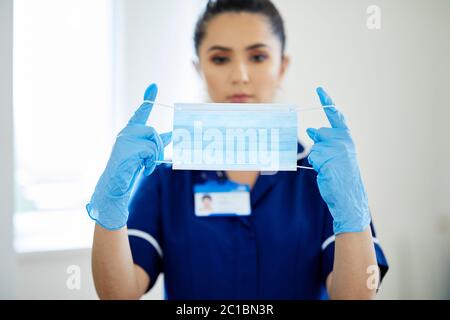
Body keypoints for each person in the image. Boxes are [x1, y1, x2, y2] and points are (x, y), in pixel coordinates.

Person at [88, 0, 388, 300]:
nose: (240, 75)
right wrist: (110, 209)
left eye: (258, 56)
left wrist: (354, 213)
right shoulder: (166, 176)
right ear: (198, 68)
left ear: (282, 66)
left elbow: (355, 297)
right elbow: (119, 295)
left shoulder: (323, 178)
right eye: (220, 59)